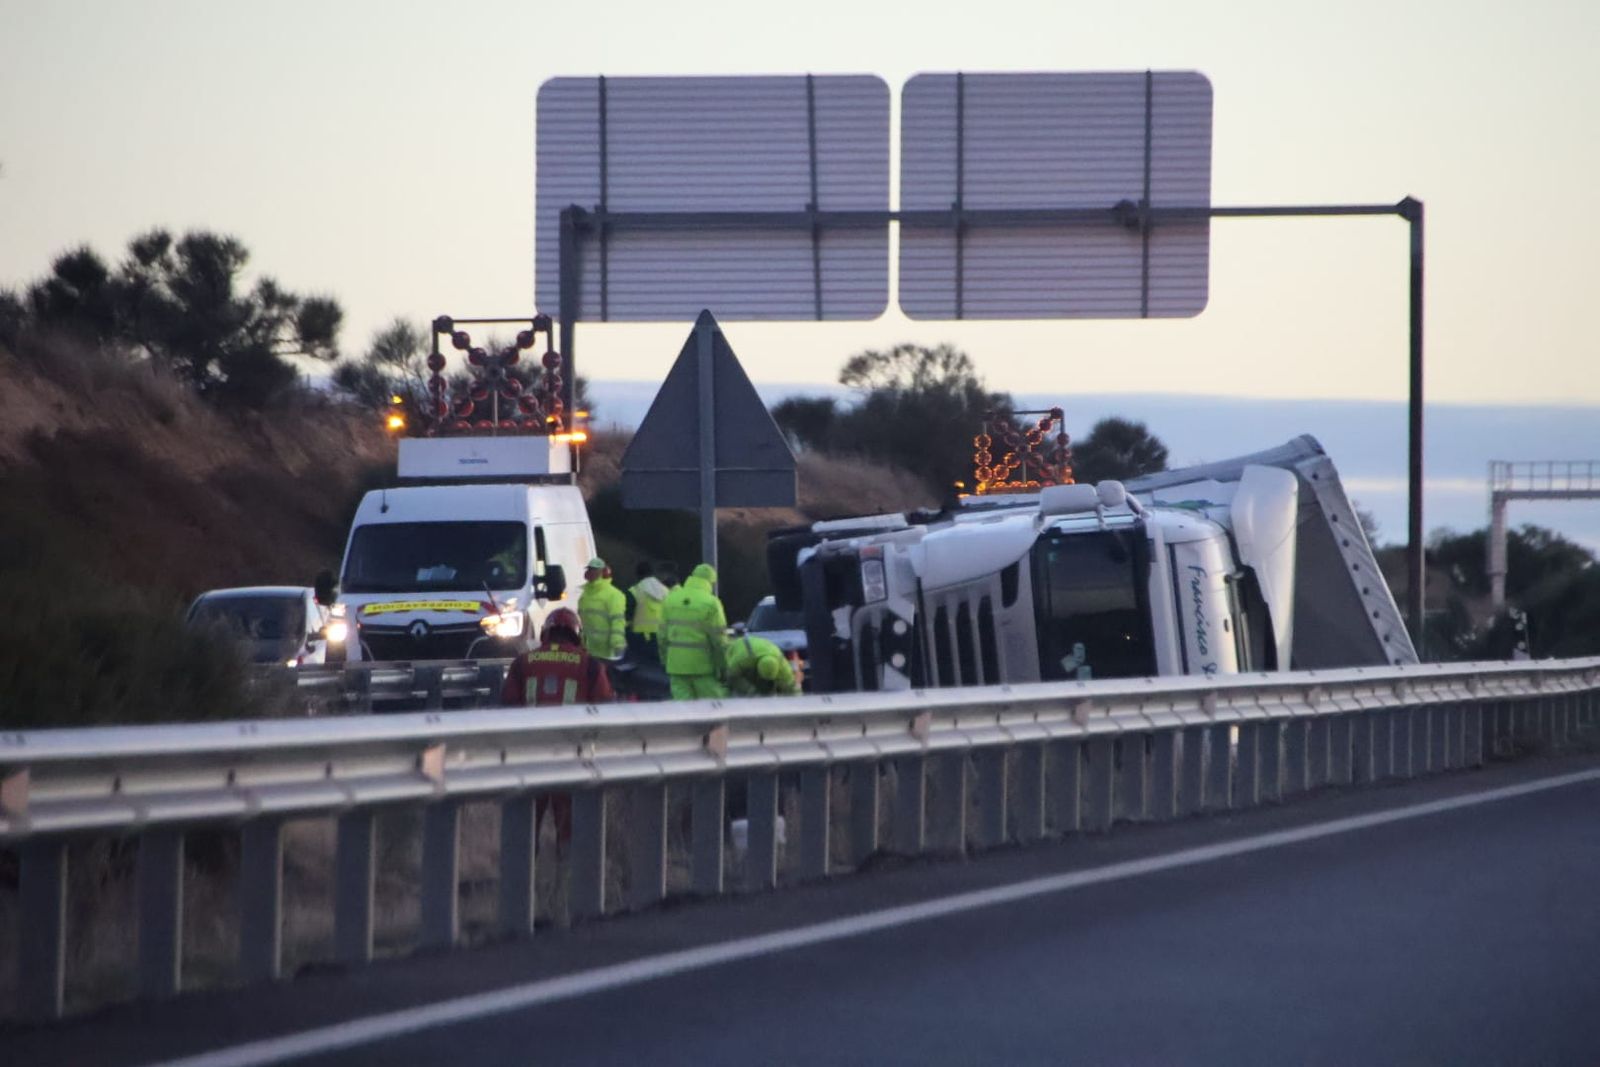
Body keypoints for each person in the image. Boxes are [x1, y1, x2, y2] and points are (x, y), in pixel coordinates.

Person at [499, 607, 615, 848]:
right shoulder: (589, 665)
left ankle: (525, 867)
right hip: (572, 754)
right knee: (569, 827)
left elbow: (508, 705)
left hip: (530, 754)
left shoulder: (523, 662)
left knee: (526, 826)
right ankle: (565, 868)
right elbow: (604, 707)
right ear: (577, 634)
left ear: (546, 633)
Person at [661, 562, 728, 699]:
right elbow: (719, 639)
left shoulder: (670, 599)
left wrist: (665, 660)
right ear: (710, 582)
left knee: (683, 709)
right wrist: (722, 666)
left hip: (676, 667)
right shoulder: (711, 603)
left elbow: (662, 637)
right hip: (704, 667)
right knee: (712, 707)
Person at [576, 556, 626, 664]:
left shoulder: (614, 595)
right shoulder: (585, 594)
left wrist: (618, 643)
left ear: (603, 573)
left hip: (607, 652)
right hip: (590, 651)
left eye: (593, 570)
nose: (589, 572)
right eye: (589, 569)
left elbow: (617, 621)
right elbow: (582, 622)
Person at [724, 633, 800, 697]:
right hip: (737, 650)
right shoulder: (742, 659)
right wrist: (752, 692)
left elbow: (790, 686)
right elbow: (732, 677)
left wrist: (797, 701)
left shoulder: (782, 666)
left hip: (759, 651)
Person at [625, 560, 670, 662]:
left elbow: (627, 616)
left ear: (637, 575)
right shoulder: (666, 590)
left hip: (642, 638)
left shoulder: (634, 591)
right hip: (664, 634)